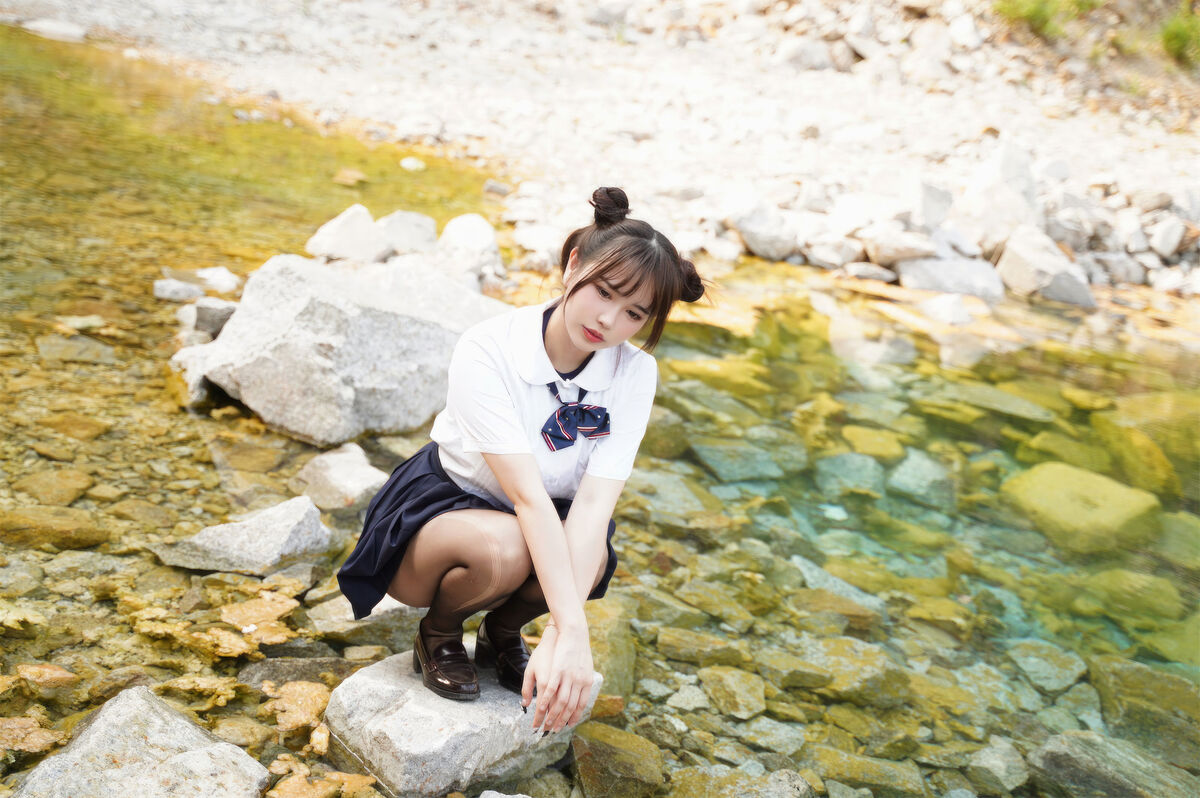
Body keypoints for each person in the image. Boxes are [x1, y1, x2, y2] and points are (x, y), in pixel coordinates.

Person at [337, 186, 706, 734]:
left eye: (633, 313)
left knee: (591, 555)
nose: (608, 320)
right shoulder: (490, 347)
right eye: (603, 291)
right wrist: (574, 630)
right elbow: (528, 499)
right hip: (444, 515)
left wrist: (561, 636)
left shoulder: (634, 372)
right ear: (573, 265)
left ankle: (502, 634)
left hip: (544, 515)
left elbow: (593, 507)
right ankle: (439, 632)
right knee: (508, 547)